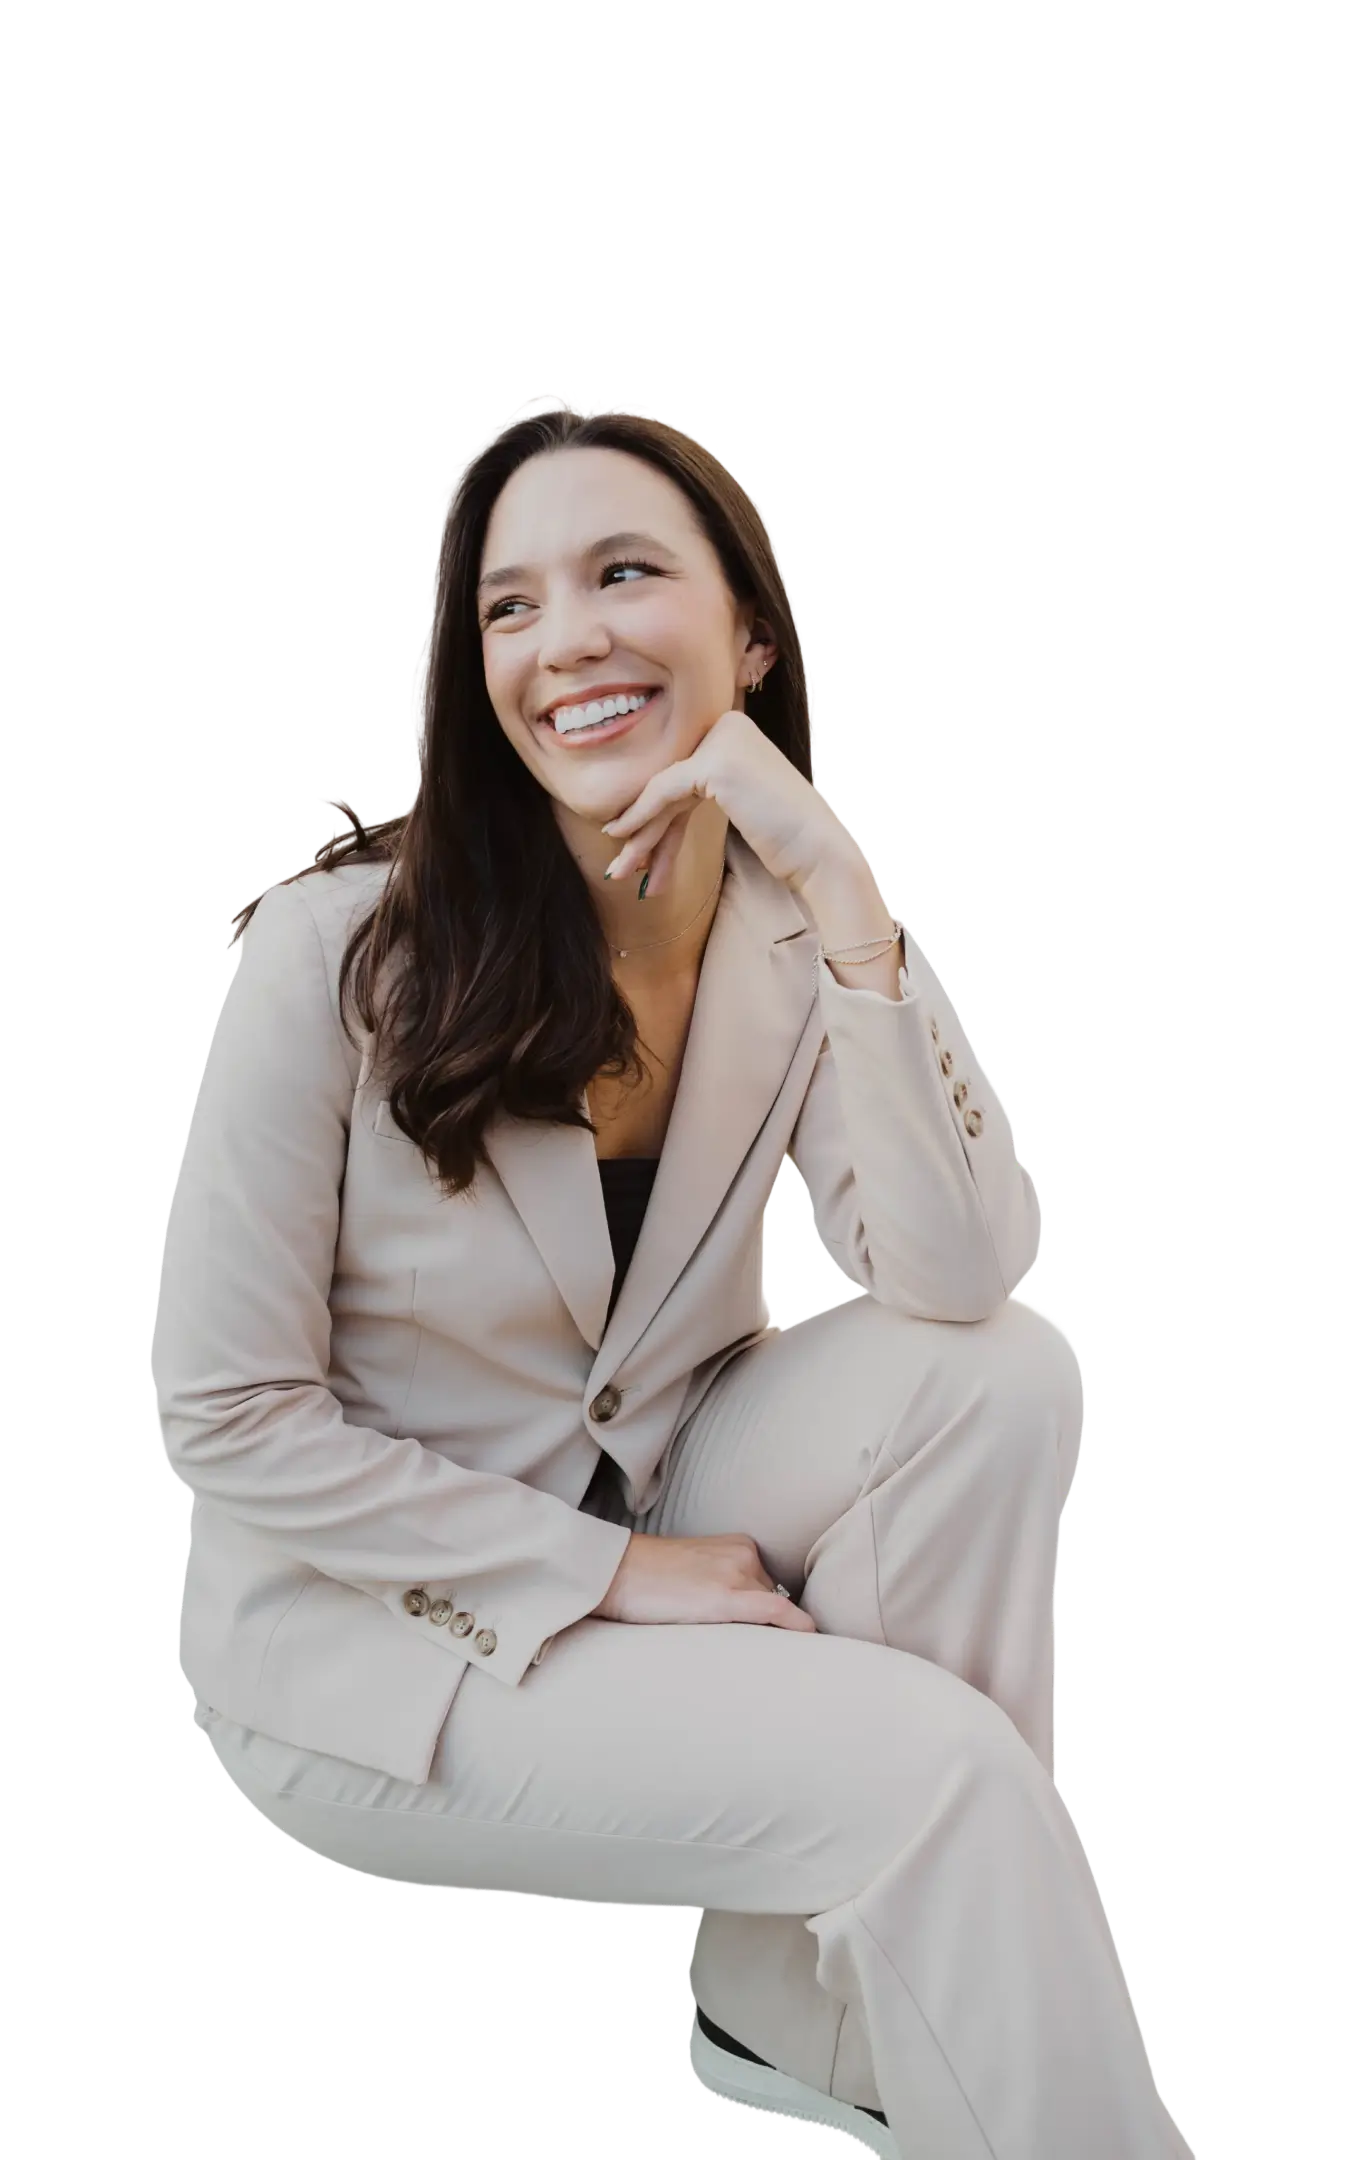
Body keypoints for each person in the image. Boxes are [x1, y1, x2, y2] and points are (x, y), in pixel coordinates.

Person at [156, 402, 1191, 2158]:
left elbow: (953, 1277)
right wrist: (608, 1573)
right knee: (945, 1780)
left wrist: (844, 892)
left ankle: (793, 1993)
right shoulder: (339, 951)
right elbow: (224, 1416)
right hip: (379, 1641)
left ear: (753, 634)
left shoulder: (793, 920)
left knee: (1007, 1371)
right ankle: (905, 1965)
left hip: (665, 1471)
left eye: (624, 573)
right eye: (509, 604)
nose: (567, 638)